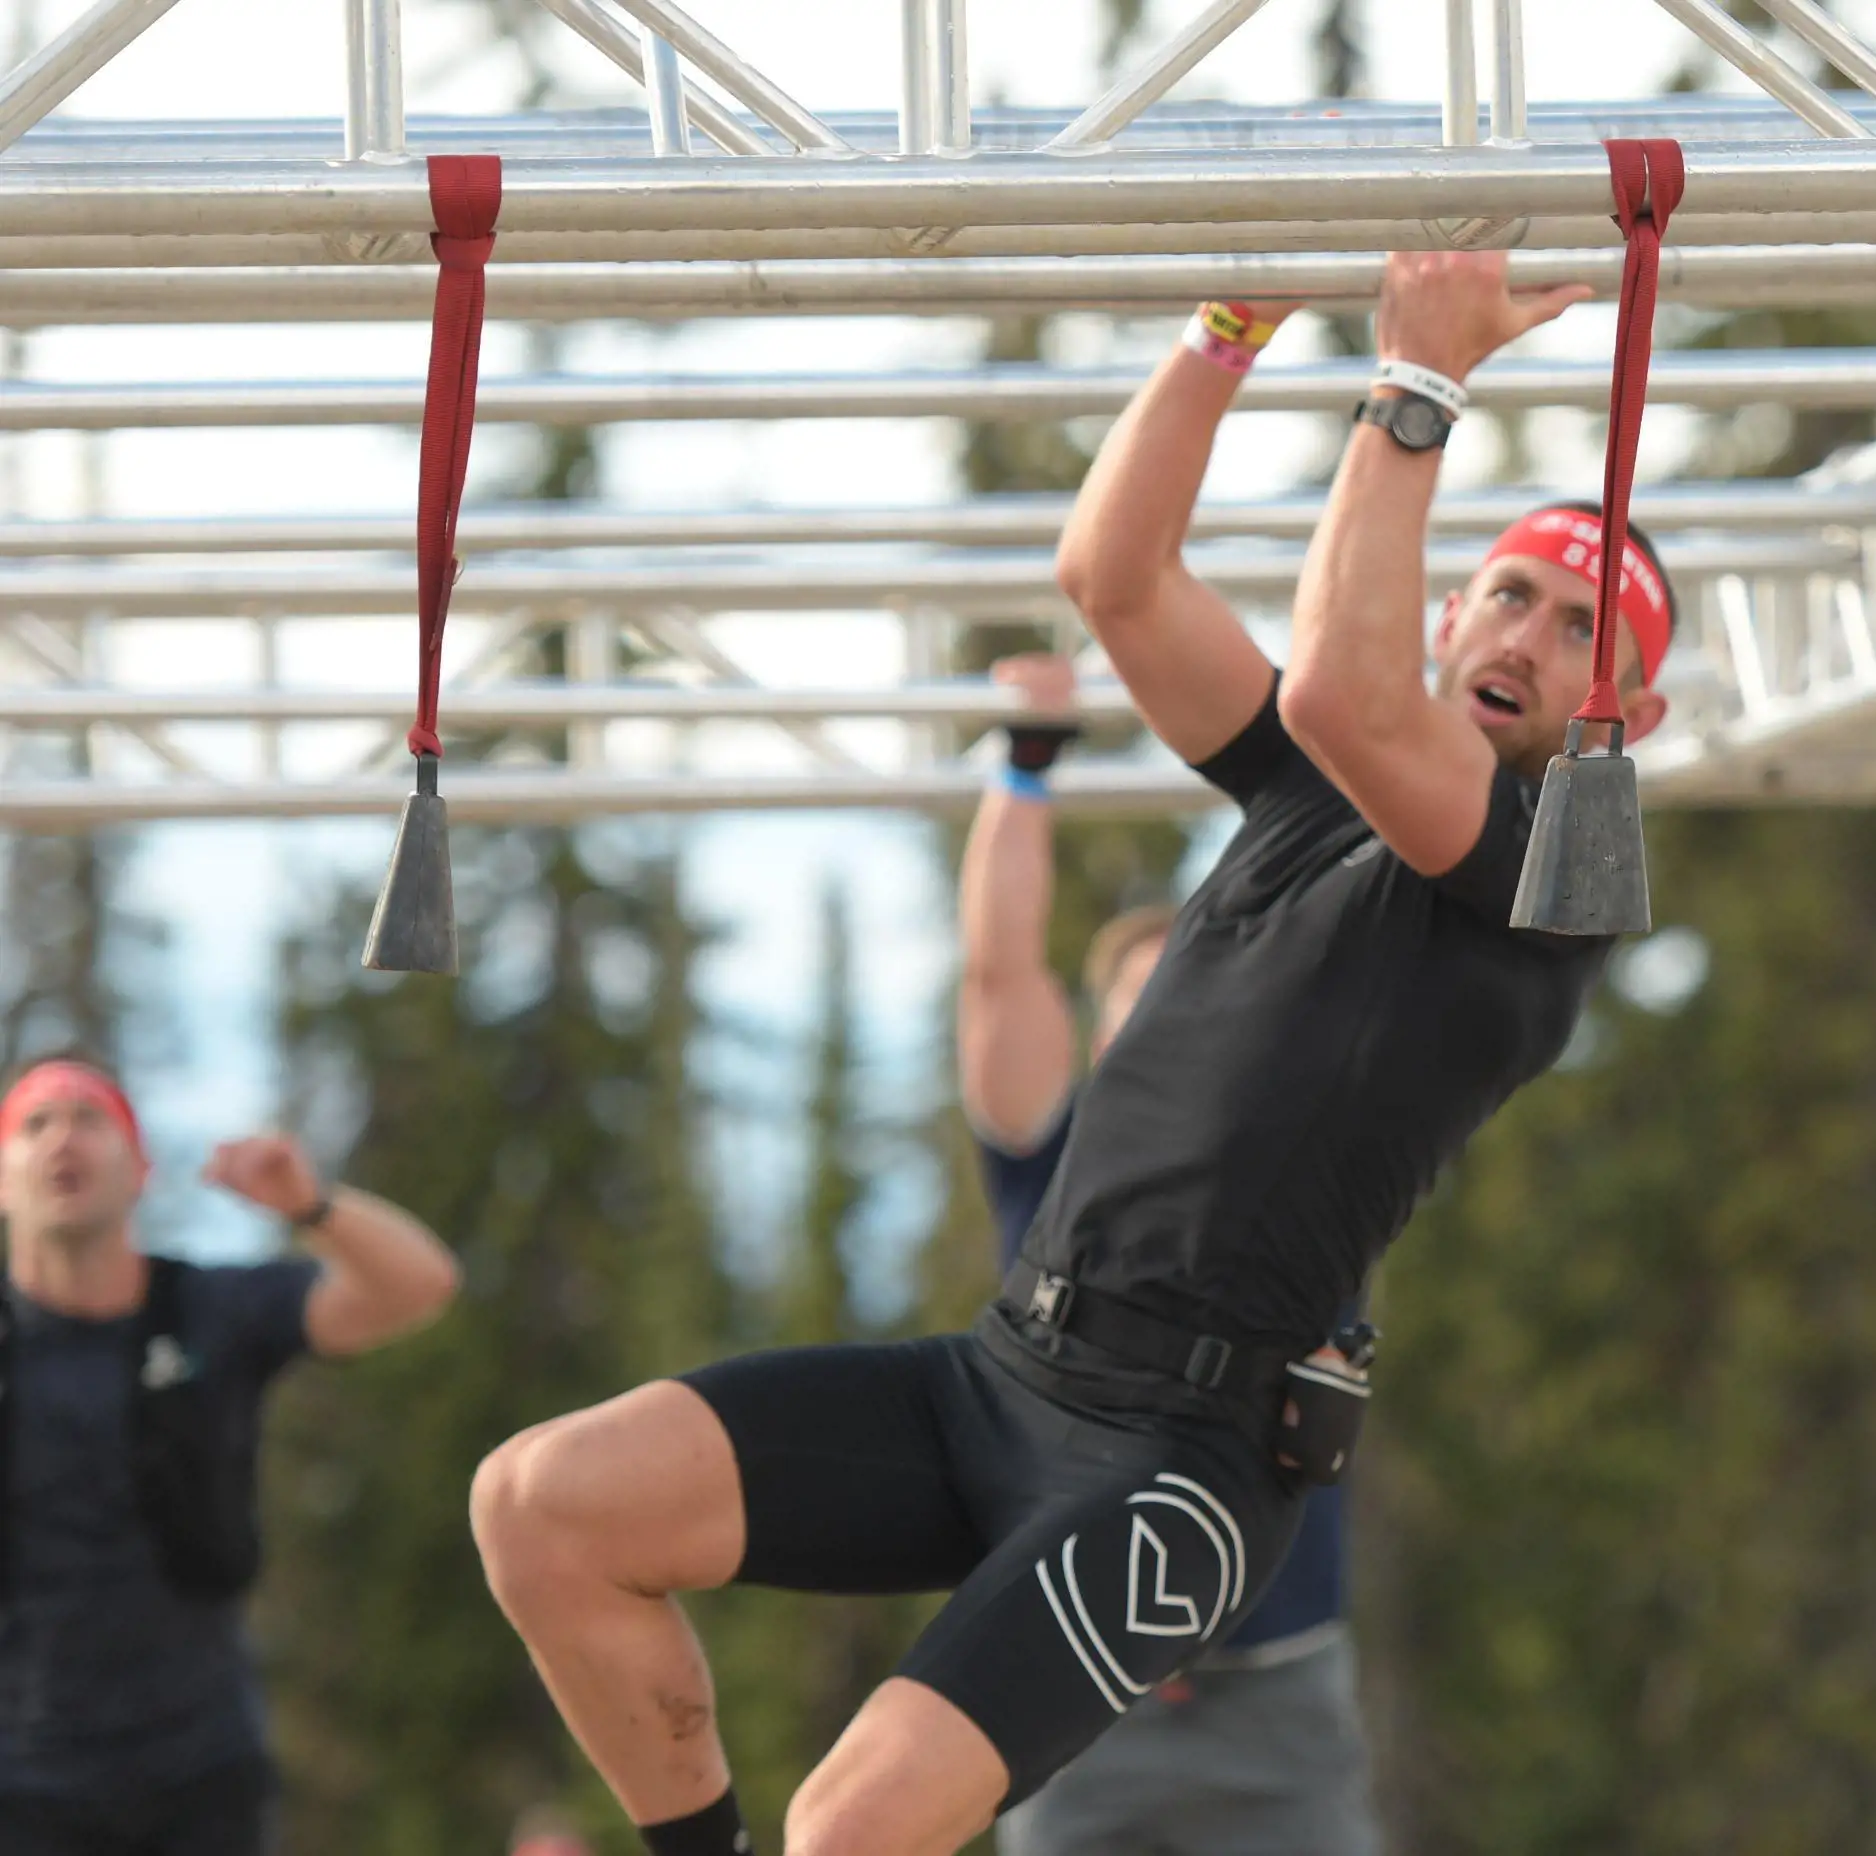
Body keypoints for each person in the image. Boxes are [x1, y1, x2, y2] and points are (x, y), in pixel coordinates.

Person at [466, 250, 1669, 1856]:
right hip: (1007, 1374)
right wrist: (1227, 325)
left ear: (1624, 717)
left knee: (859, 1826)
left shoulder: (1546, 879)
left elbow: (1344, 687)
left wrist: (1422, 386)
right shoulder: (1316, 788)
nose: (1530, 630)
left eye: (1584, 627)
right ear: (1453, 611)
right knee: (543, 1506)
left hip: (1183, 1460)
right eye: (1514, 590)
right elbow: (1112, 576)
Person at [959, 651, 1380, 1856]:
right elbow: (999, 974)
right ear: (1099, 1036)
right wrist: (1026, 767)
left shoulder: (1314, 1145)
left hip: (1279, 1679)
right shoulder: (1052, 1151)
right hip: (1078, 1681)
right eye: (1141, 999)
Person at [0, 1057, 462, 1856]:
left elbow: (420, 1286)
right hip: (20, 1786)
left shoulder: (211, 1310)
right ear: (4, 1178)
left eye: (90, 1118)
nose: (62, 1140)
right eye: (35, 1123)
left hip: (200, 1776)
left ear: (141, 1168)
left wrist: (311, 1207)